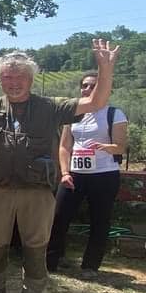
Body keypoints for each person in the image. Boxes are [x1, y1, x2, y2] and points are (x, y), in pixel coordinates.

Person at [0, 41, 118, 293]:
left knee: (35, 252)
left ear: (31, 79)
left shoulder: (51, 107)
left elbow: (96, 102)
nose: (14, 82)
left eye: (20, 77)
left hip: (38, 193)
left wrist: (105, 68)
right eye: (7, 77)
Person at [47, 72, 127, 279]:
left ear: (104, 89)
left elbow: (121, 147)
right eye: (84, 85)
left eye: (93, 86)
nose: (88, 89)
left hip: (104, 175)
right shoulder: (73, 115)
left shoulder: (115, 114)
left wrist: (105, 147)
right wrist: (65, 172)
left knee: (99, 220)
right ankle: (52, 261)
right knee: (58, 217)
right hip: (74, 174)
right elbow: (64, 146)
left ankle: (90, 266)